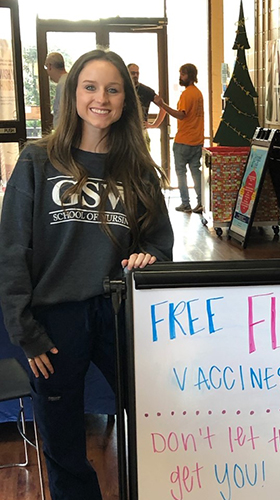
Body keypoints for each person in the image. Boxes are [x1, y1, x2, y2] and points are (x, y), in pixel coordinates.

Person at [0, 49, 174, 500]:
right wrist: (24, 330)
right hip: (54, 321)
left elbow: (159, 242)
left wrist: (148, 257)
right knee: (62, 441)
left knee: (158, 413)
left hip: (118, 315)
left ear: (126, 101)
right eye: (91, 87)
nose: (102, 98)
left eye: (113, 89)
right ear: (72, 93)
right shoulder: (37, 160)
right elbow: (12, 250)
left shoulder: (136, 170)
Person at [158, 63, 204, 213]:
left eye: (183, 74)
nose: (180, 77)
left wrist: (163, 105)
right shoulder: (198, 94)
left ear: (189, 76)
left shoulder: (187, 94)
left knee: (180, 172)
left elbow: (181, 115)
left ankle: (185, 203)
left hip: (183, 140)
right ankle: (201, 201)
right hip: (197, 140)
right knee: (196, 171)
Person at [127, 63, 166, 146]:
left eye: (137, 73)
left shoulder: (146, 91)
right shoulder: (122, 89)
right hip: (125, 132)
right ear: (127, 73)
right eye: (133, 73)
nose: (135, 75)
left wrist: (154, 125)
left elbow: (163, 107)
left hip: (141, 132)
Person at [44, 52, 68, 128]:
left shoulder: (63, 84)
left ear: (49, 66)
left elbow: (61, 112)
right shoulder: (69, 79)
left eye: (46, 67)